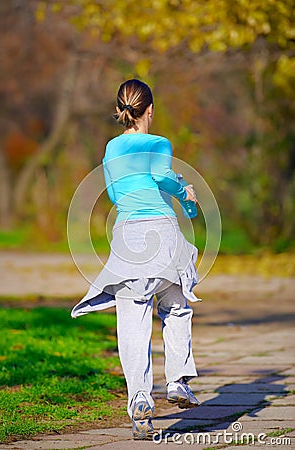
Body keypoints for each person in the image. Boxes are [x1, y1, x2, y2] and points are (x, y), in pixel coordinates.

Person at [71, 79, 201, 440]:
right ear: (150, 110)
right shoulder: (158, 143)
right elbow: (159, 176)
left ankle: (140, 400)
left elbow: (114, 193)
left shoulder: (112, 148)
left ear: (122, 110)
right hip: (162, 230)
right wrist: (182, 188)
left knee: (132, 318)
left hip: (128, 234)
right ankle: (176, 381)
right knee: (176, 305)